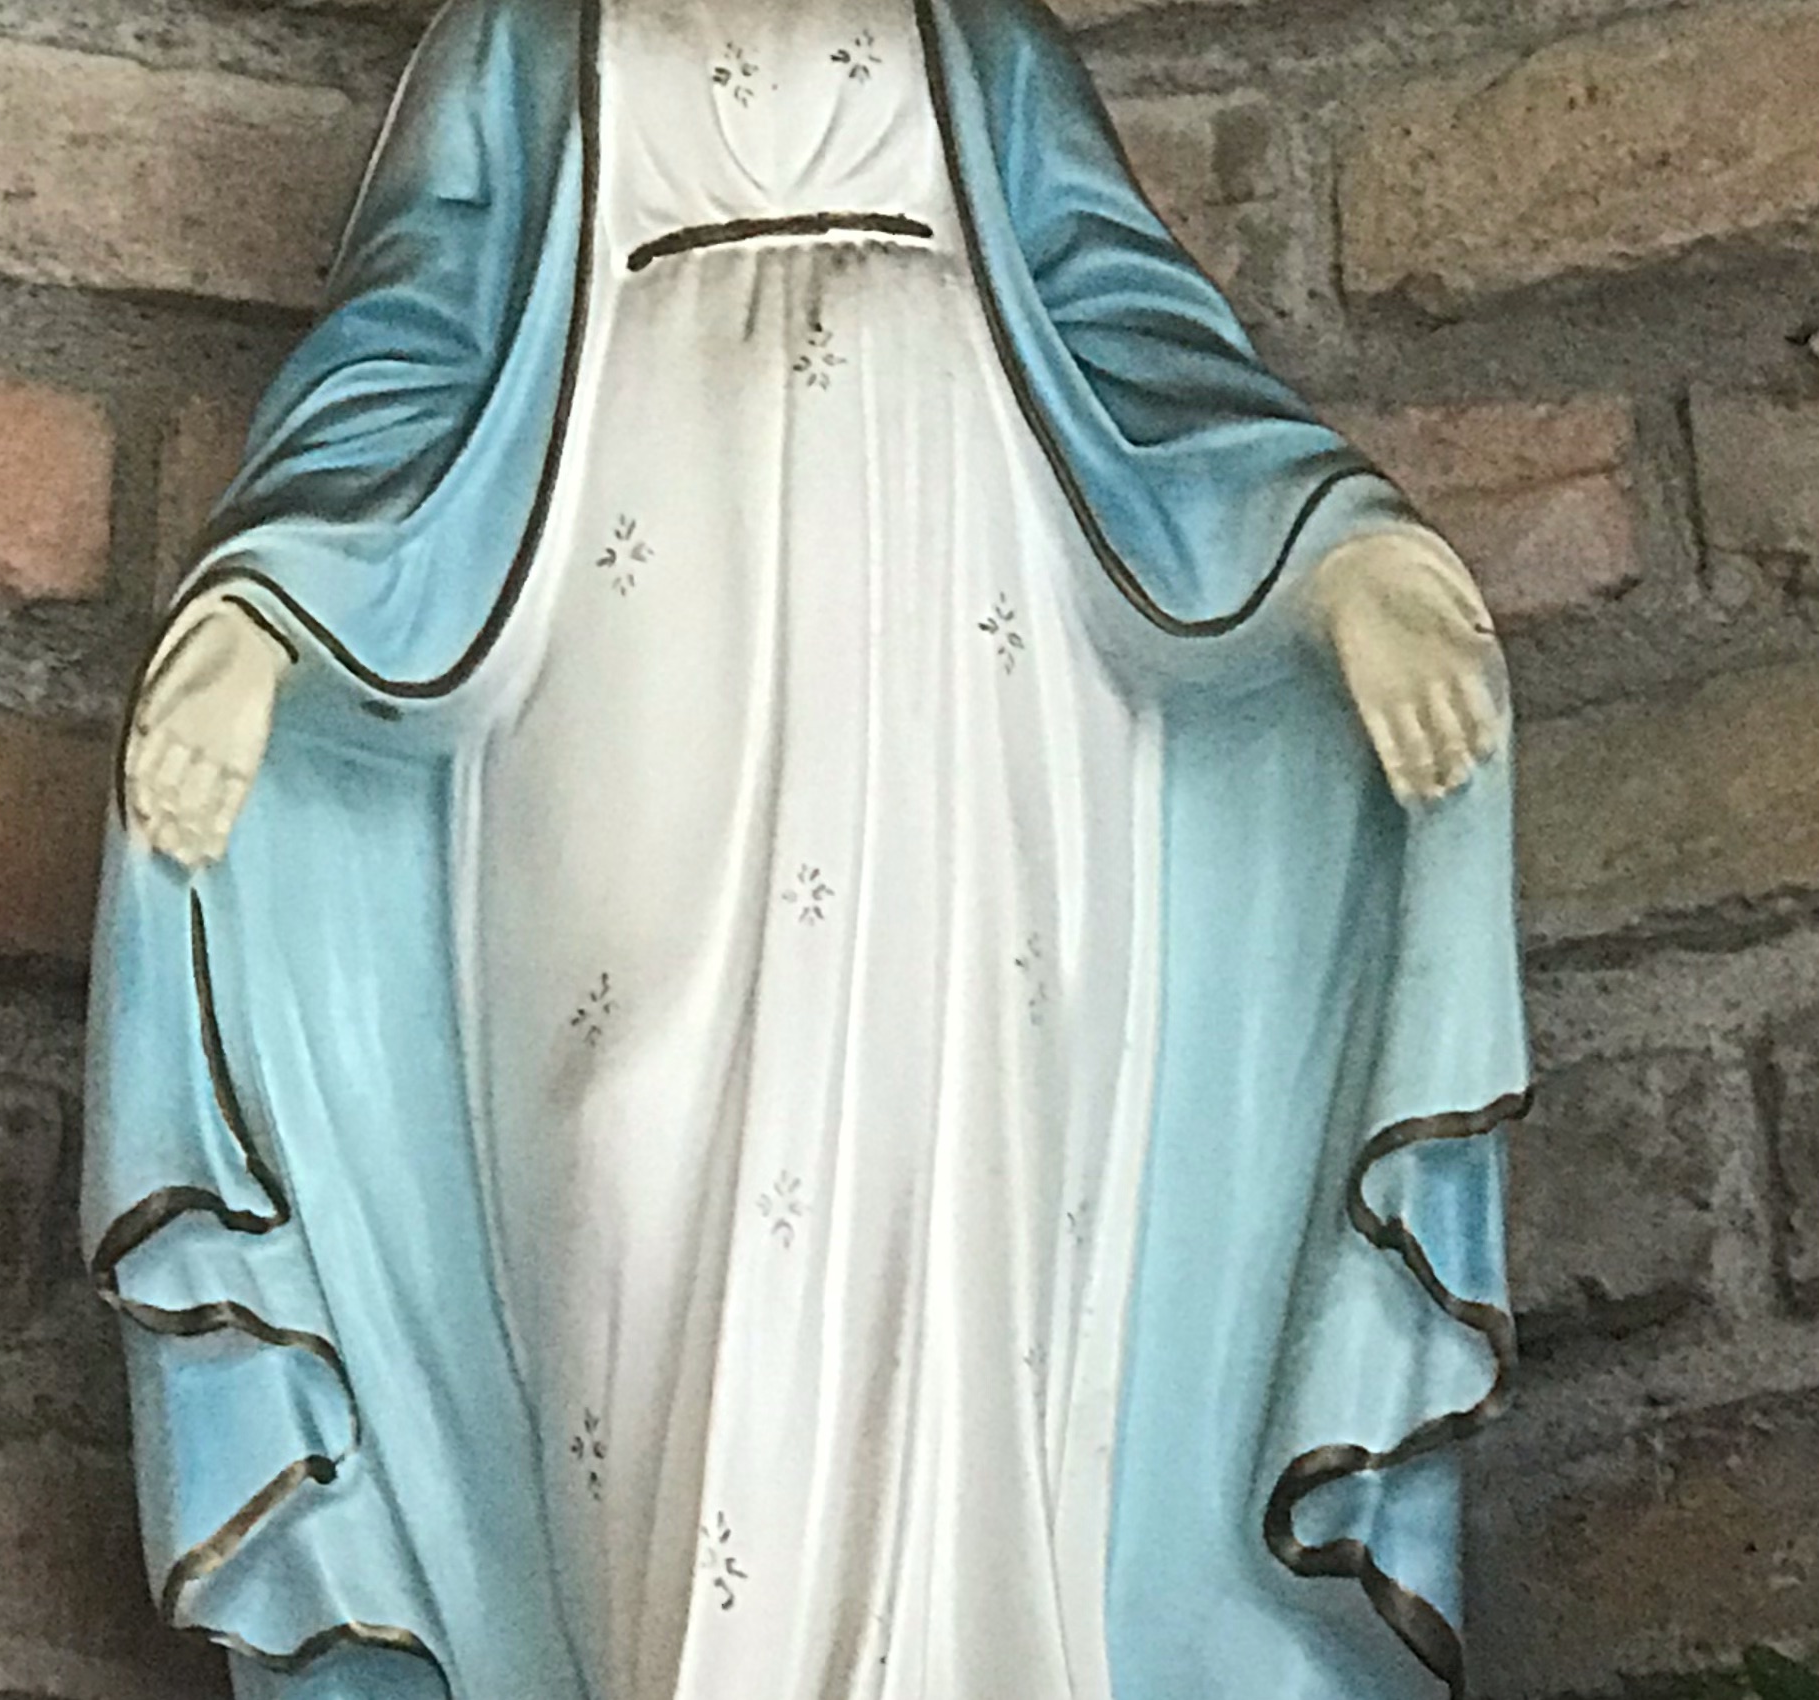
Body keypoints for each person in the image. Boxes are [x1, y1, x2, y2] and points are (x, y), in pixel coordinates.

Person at [83, 0, 1530, 1695]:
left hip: (969, 688)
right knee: (622, 1168)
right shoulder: (526, 41)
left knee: (959, 1182)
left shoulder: (977, 36)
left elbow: (1134, 331)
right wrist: (266, 612)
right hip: (627, 653)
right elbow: (407, 347)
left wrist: (1342, 554)